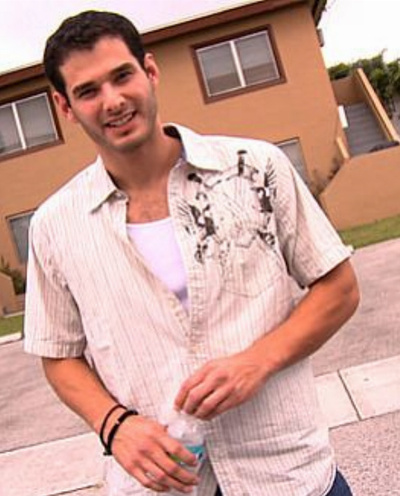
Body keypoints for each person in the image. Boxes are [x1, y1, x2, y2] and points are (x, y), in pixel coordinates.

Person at [24, 10, 359, 496]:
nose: (113, 101)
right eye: (88, 91)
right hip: (161, 484)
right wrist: (114, 426)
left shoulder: (254, 169)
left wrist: (259, 360)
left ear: (150, 71)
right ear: (65, 107)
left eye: (122, 76)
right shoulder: (55, 225)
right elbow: (59, 356)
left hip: (287, 473)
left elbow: (339, 288)